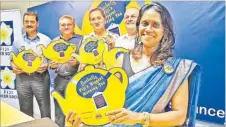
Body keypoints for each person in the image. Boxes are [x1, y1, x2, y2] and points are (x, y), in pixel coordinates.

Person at [66, 2, 200, 127]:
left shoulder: (176, 69)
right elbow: (107, 100)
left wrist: (139, 118)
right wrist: (83, 117)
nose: (148, 29)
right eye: (144, 23)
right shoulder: (121, 59)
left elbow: (179, 116)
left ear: (165, 30)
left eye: (155, 25)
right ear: (138, 26)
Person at [10, 12, 51, 118]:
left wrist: (47, 65)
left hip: (40, 78)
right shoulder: (17, 41)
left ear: (37, 23)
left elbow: (53, 60)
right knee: (25, 112)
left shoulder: (46, 40)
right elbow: (12, 59)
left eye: (32, 21)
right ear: (23, 23)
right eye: (26, 21)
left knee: (45, 111)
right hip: (22, 79)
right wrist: (13, 67)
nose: (29, 24)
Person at [49, 15, 83, 127]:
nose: (66, 26)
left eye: (69, 24)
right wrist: (52, 65)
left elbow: (86, 59)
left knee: (76, 112)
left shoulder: (82, 40)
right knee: (59, 112)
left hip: (76, 80)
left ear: (73, 26)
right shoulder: (54, 42)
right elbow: (50, 62)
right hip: (60, 80)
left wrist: (77, 63)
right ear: (59, 27)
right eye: (63, 25)